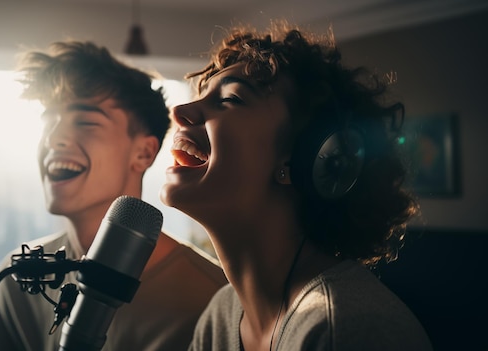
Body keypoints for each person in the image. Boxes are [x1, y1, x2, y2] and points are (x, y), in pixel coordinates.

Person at [160, 21, 433, 351]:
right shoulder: (221, 316)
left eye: (230, 99)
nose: (180, 111)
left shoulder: (349, 328)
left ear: (308, 159)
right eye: (200, 97)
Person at [0, 40, 227, 351]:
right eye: (47, 122)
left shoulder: (214, 300)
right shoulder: (16, 279)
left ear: (144, 152)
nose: (53, 138)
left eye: (85, 122)